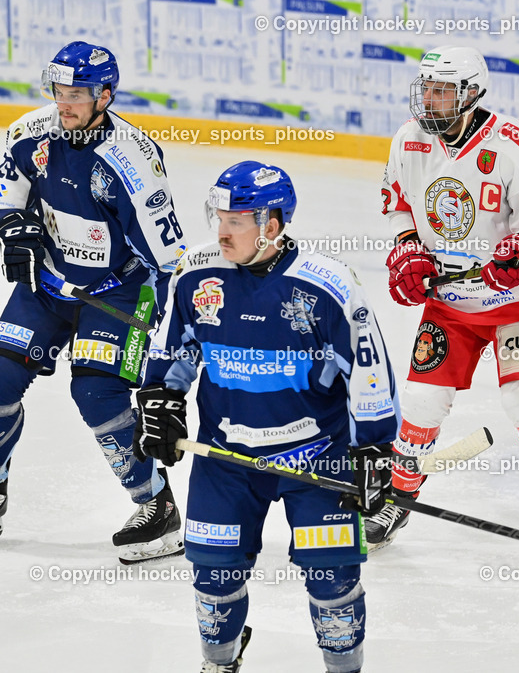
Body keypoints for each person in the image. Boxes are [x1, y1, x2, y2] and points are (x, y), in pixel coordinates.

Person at [133, 161, 399, 672]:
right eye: (220, 218)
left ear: (271, 225)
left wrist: (373, 448)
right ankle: (220, 662)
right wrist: (161, 399)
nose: (222, 230)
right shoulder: (196, 274)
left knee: (332, 577)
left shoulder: (326, 286)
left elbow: (368, 371)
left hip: (318, 460)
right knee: (213, 575)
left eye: (235, 220)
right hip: (226, 457)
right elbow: (175, 347)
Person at [374, 44, 519, 574]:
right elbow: (399, 204)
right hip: (451, 297)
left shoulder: (513, 146)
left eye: (443, 90)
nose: (430, 99)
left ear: (472, 94)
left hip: (517, 296)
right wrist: (407, 248)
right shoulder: (409, 140)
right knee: (422, 400)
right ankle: (396, 498)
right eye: (426, 87)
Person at [0, 41, 187, 562]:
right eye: (58, 89)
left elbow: (167, 260)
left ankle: (157, 506)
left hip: (120, 292)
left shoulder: (132, 160)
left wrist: (165, 356)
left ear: (105, 95)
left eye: (77, 92)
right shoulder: (29, 133)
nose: (64, 102)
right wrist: (14, 226)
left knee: (97, 394)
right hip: (51, 283)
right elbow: (7, 189)